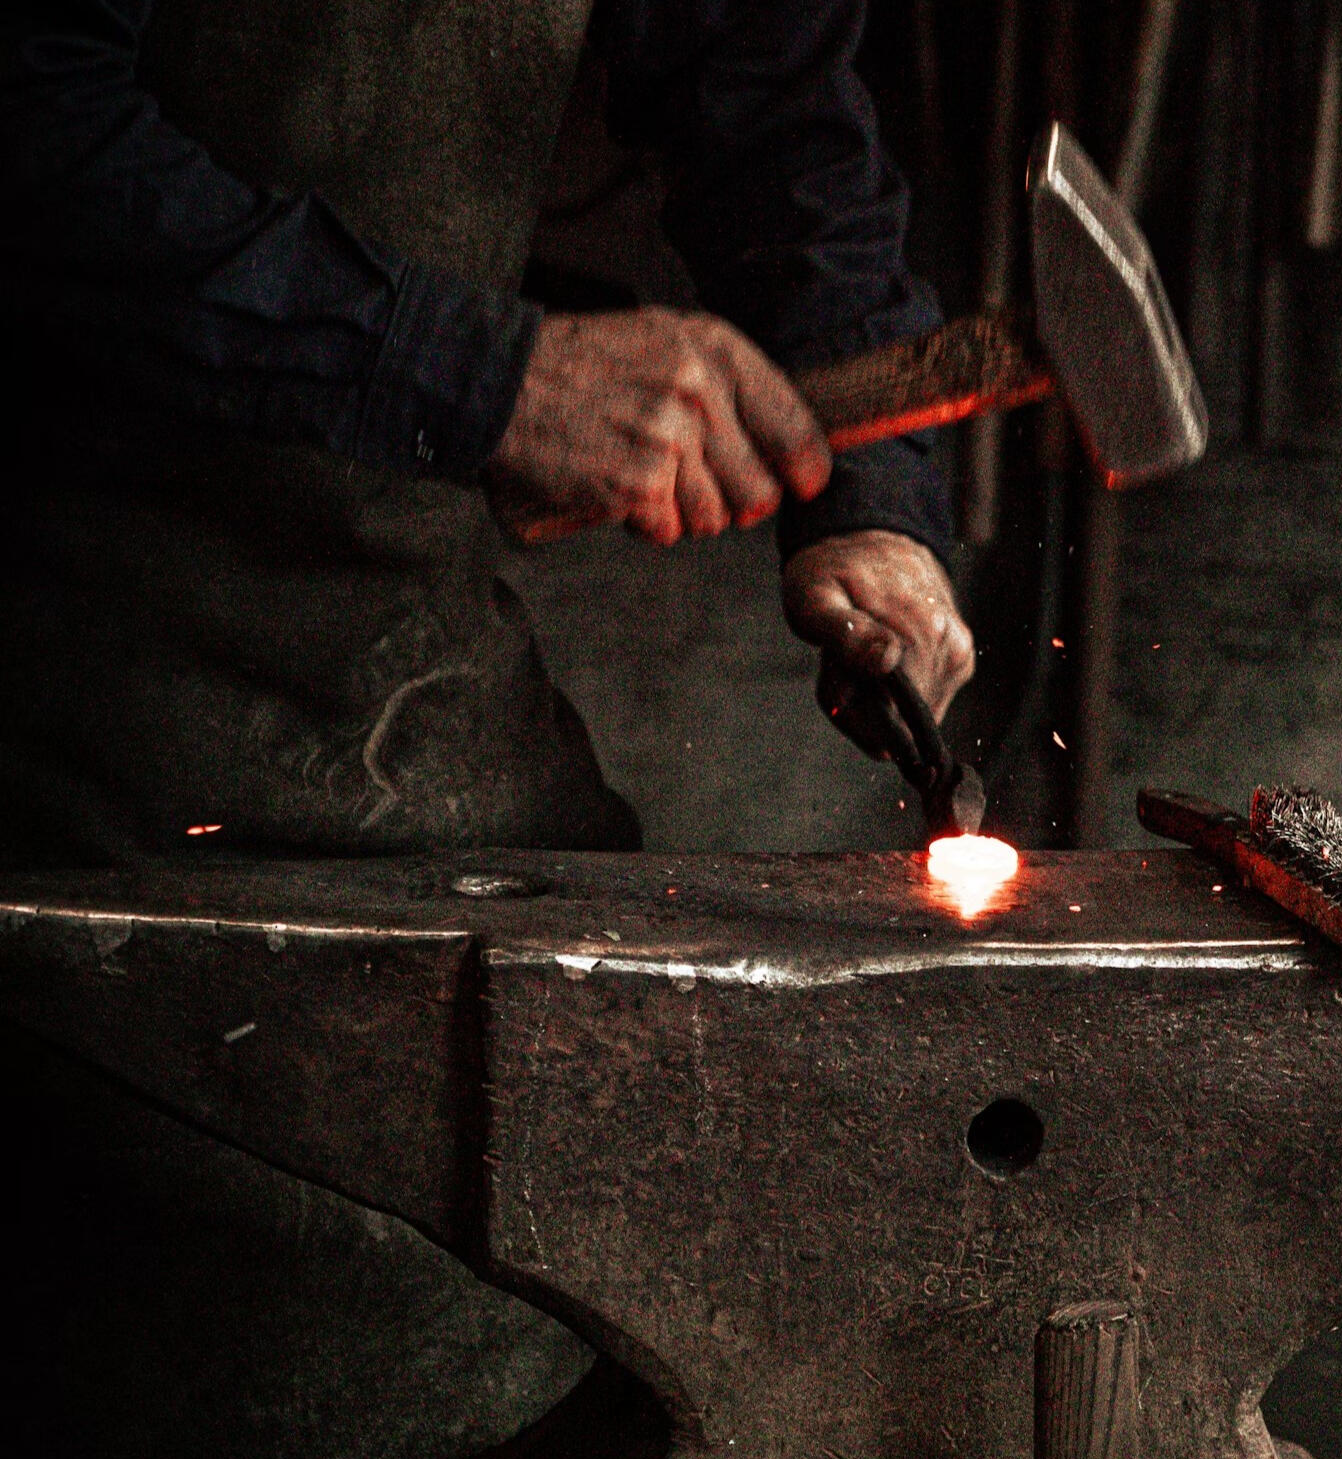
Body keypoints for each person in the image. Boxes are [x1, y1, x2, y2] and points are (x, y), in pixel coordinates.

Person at [0, 0, 976, 862]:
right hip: (75, 658)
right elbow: (37, 132)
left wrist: (868, 501)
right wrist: (487, 377)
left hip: (406, 646)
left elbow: (779, 112)